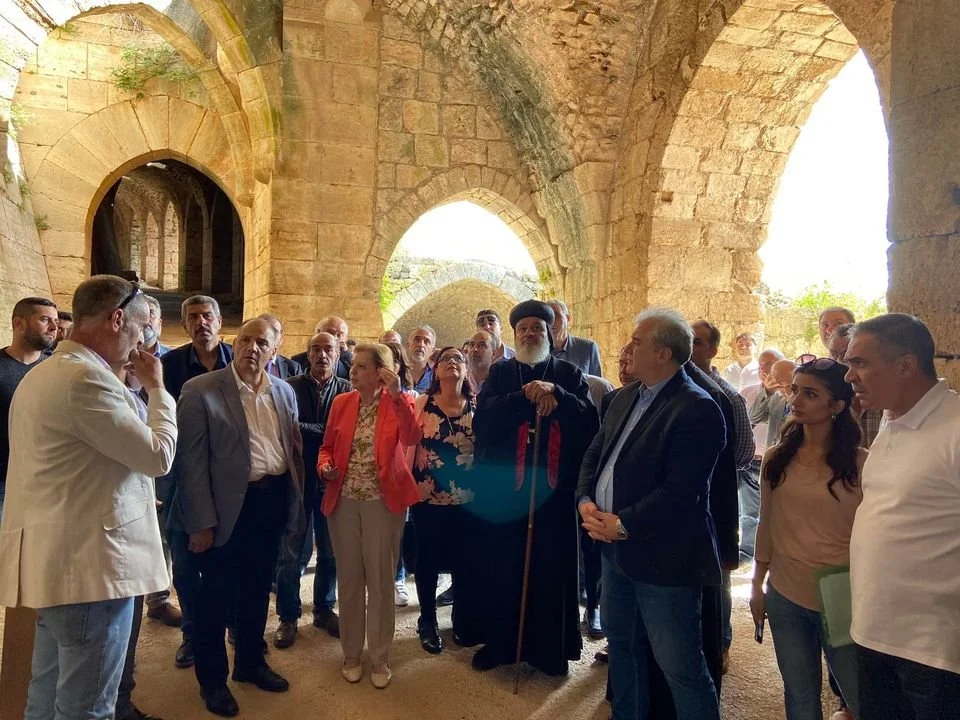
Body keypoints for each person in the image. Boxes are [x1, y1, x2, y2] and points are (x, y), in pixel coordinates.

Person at [0, 276, 177, 720]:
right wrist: (158, 389)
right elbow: (158, 455)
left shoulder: (48, 373)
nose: (142, 339)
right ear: (117, 319)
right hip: (90, 570)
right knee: (88, 707)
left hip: (60, 567)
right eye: (140, 326)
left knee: (44, 695)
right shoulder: (85, 380)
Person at [577, 308, 724, 720]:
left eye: (637, 341)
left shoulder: (698, 407)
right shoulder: (625, 397)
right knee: (623, 647)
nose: (628, 348)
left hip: (664, 561)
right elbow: (595, 455)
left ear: (662, 354)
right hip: (615, 552)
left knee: (681, 667)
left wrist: (623, 524)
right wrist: (585, 500)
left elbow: (682, 492)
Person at [173, 317, 305, 717]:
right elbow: (190, 463)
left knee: (256, 590)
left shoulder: (284, 391)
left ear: (275, 350)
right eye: (245, 340)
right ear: (235, 343)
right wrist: (201, 523)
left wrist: (293, 506)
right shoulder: (201, 390)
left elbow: (291, 449)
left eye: (262, 342)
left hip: (271, 501)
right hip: (225, 509)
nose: (252, 348)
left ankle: (249, 662)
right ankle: (213, 682)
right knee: (214, 598)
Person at [469, 300, 598, 676]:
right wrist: (524, 396)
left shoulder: (568, 373)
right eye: (523, 328)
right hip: (508, 491)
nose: (530, 333)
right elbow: (484, 421)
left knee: (550, 569)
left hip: (554, 494)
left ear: (549, 333)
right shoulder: (501, 373)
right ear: (514, 335)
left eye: (537, 328)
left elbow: (589, 422)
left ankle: (549, 652)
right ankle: (501, 645)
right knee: (503, 566)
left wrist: (557, 394)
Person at [844, 314, 960, 718]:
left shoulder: (955, 427)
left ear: (906, 365)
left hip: (934, 651)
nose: (849, 376)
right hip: (873, 633)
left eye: (860, 363)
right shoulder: (891, 420)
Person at [749, 358, 864, 720]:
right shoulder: (776, 458)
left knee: (860, 695)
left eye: (810, 394)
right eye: (795, 390)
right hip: (786, 591)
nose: (796, 400)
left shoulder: (861, 464)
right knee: (799, 694)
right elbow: (766, 524)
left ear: (837, 405)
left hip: (842, 592)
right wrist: (757, 585)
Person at [318, 343, 420, 689]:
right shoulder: (341, 402)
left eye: (361, 366)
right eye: (354, 365)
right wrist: (325, 466)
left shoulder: (399, 402)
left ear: (381, 372)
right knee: (349, 581)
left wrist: (398, 395)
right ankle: (351, 654)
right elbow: (326, 447)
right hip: (344, 501)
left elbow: (412, 436)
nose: (353, 371)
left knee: (380, 582)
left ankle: (379, 657)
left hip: (383, 503)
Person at [161, 295, 234, 670]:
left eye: (208, 315)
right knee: (187, 570)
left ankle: (233, 626)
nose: (201, 322)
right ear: (185, 324)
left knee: (229, 565)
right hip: (182, 480)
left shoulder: (238, 360)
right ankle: (191, 634)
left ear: (219, 321)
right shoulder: (169, 365)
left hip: (227, 480)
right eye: (193, 316)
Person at [274, 332, 350, 647]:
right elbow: (287, 428)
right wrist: (326, 432)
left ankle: (323, 609)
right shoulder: (289, 387)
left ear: (337, 354)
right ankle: (288, 616)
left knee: (331, 552)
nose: (322, 355)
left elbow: (346, 434)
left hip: (332, 481)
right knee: (291, 553)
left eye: (328, 349)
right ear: (307, 354)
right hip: (297, 479)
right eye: (315, 349)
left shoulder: (347, 391)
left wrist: (314, 431)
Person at [691, 319, 756, 674]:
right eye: (687, 340)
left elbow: (743, 452)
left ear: (714, 350)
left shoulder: (728, 396)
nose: (691, 348)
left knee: (718, 576)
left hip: (715, 503)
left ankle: (721, 643)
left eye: (698, 343)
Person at [410, 346, 483, 654]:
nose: (452, 363)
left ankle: (461, 619)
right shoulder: (422, 403)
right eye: (445, 359)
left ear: (466, 370)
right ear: (436, 370)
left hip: (467, 500)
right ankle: (427, 620)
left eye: (458, 359)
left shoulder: (477, 406)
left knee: (465, 561)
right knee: (427, 561)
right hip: (427, 497)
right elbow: (407, 443)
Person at [0, 297, 57, 518]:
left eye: (55, 321)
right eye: (45, 320)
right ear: (19, 324)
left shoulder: (57, 369)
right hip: (4, 482)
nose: (53, 327)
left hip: (48, 482)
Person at [827, 323, 883, 448]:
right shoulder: (827, 401)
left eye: (847, 357)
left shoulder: (885, 401)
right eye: (834, 355)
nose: (838, 362)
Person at [749, 357, 797, 449]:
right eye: (780, 385)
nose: (786, 390)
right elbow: (753, 419)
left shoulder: (806, 402)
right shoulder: (776, 398)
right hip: (772, 454)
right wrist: (767, 392)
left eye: (790, 386)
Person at [546, 299, 602, 375]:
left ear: (568, 318)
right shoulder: (537, 350)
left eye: (556, 315)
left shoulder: (588, 348)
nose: (551, 321)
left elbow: (597, 380)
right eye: (547, 317)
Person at [259, 313, 303, 379]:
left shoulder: (293, 368)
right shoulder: (244, 363)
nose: (269, 336)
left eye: (274, 331)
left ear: (281, 338)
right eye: (263, 331)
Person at [407, 325, 436, 393]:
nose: (421, 344)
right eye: (417, 340)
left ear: (432, 351)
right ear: (408, 345)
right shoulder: (396, 371)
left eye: (426, 341)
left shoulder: (437, 376)